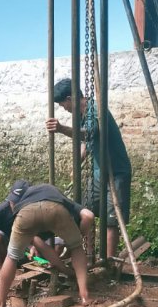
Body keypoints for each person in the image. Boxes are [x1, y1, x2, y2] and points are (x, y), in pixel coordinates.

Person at [47, 77, 132, 257]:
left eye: (64, 106)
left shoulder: (96, 109)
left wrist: (62, 129)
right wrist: (77, 163)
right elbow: (87, 144)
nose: (65, 109)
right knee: (86, 211)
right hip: (98, 172)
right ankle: (89, 255)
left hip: (116, 172)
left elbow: (90, 134)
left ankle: (108, 262)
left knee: (111, 220)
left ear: (70, 99)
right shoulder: (80, 115)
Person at [0, 180, 91, 307]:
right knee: (77, 248)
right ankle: (84, 296)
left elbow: (39, 244)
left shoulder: (25, 197)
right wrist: (76, 239)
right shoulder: (54, 192)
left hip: (26, 213)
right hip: (55, 208)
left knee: (12, 257)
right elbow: (88, 216)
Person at [0, 183, 94, 267]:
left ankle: (49, 264)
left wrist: (32, 246)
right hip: (11, 246)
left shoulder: (38, 210)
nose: (15, 205)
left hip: (34, 244)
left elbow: (36, 239)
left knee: (59, 244)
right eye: (13, 202)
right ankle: (5, 267)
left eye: (19, 202)